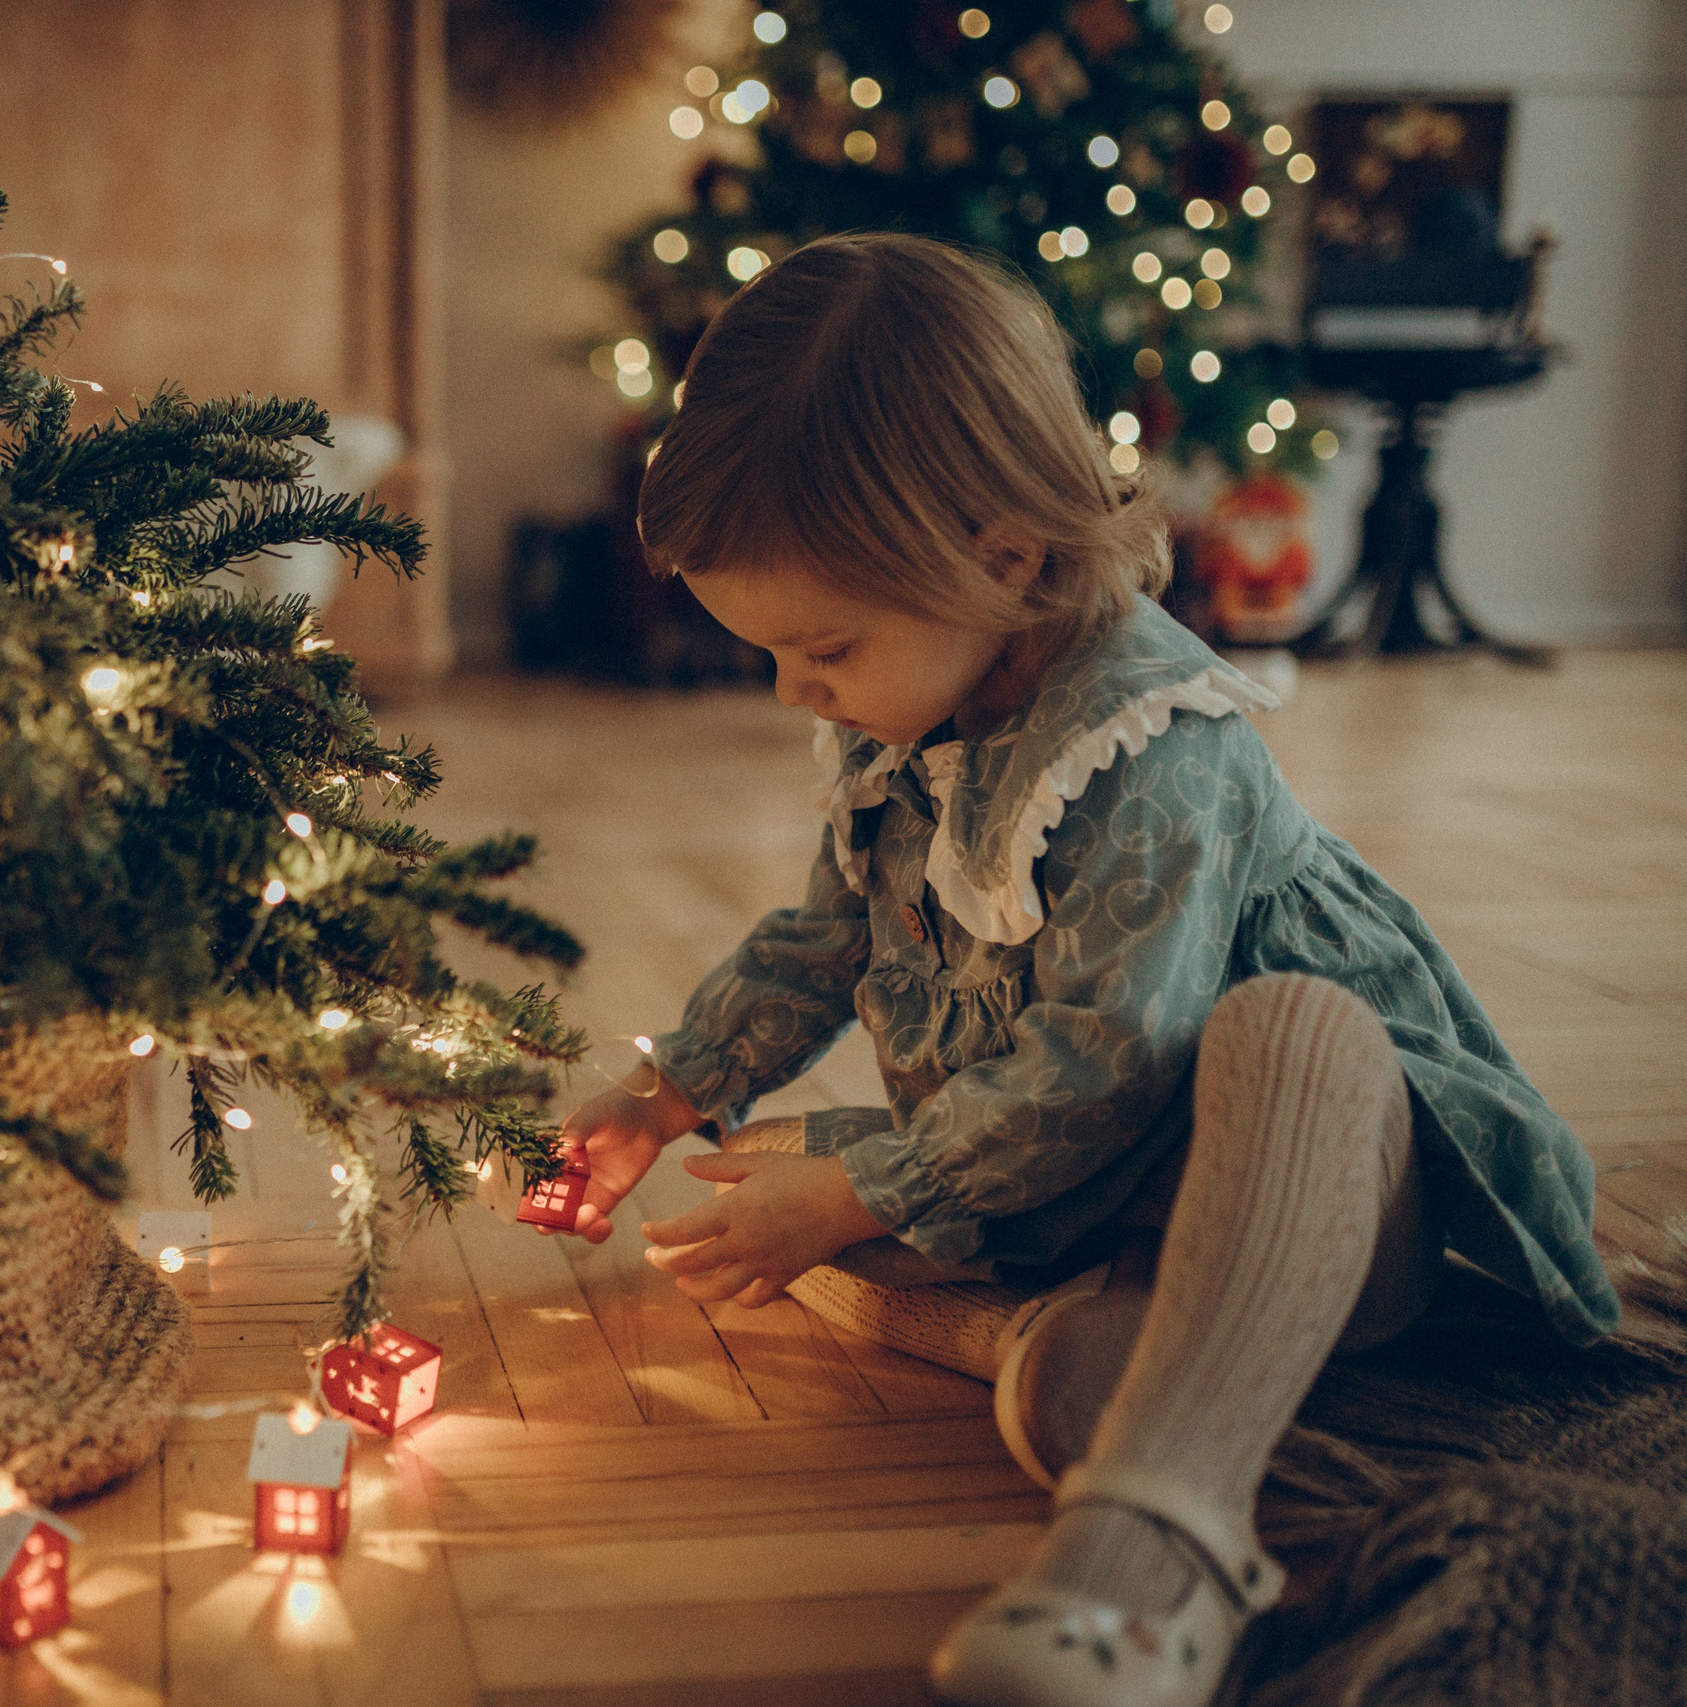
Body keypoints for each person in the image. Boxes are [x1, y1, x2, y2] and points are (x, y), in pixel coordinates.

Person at [554, 232, 1615, 1707]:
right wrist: (667, 1093)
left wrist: (870, 1195)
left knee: (1292, 1028)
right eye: (776, 658)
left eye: (825, 650)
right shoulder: (906, 714)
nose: (797, 693)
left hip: (1321, 1189)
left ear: (1003, 558)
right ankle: (1142, 1364)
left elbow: (1108, 1058)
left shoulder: (1159, 749)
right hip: (1113, 1202)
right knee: (917, 1293)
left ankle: (1150, 1542)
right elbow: (825, 936)